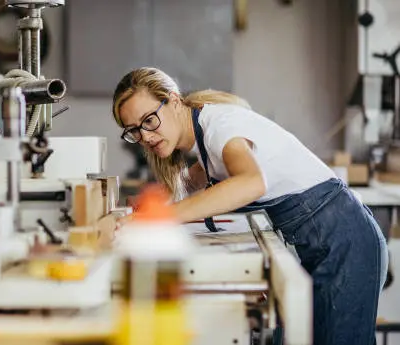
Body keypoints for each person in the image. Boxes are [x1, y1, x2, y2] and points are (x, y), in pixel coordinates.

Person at [112, 67, 388, 345]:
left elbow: (251, 183)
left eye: (148, 120)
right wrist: (149, 206)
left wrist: (164, 218)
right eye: (133, 130)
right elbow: (190, 182)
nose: (145, 137)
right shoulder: (206, 134)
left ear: (172, 100)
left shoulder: (219, 127)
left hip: (345, 242)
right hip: (325, 244)